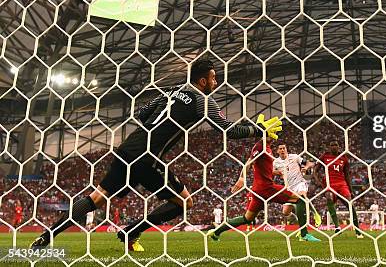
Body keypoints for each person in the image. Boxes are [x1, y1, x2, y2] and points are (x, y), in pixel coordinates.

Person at [31, 59, 282, 251]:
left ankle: (46, 237)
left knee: (97, 196)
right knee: (185, 202)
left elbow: (142, 113)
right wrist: (257, 129)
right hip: (147, 156)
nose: (216, 83)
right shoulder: (201, 100)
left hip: (129, 146)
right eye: (214, 78)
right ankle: (131, 233)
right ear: (203, 81)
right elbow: (228, 129)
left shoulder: (170, 92)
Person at [208, 138, 321, 242]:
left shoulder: (267, 148)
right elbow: (249, 163)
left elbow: (264, 168)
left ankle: (216, 232)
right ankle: (304, 234)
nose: (274, 136)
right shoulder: (260, 147)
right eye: (272, 134)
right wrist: (242, 177)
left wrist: (277, 172)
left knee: (247, 218)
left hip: (258, 190)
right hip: (267, 188)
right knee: (301, 199)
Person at [313, 140, 363, 238]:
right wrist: (318, 181)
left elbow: (347, 175)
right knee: (329, 197)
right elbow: (315, 170)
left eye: (336, 145)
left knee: (349, 203)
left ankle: (357, 230)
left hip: (342, 184)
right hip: (329, 184)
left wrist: (351, 190)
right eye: (332, 145)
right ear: (329, 147)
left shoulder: (343, 158)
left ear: (339, 147)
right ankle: (337, 227)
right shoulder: (324, 156)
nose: (334, 147)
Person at [273, 144, 322, 229]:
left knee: (302, 196)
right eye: (280, 149)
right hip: (289, 187)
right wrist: (278, 173)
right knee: (285, 212)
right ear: (277, 151)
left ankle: (315, 214)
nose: (282, 150)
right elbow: (272, 171)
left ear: (286, 149)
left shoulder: (294, 157)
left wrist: (306, 167)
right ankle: (298, 220)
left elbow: (310, 163)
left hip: (299, 183)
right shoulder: (276, 162)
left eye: (284, 148)